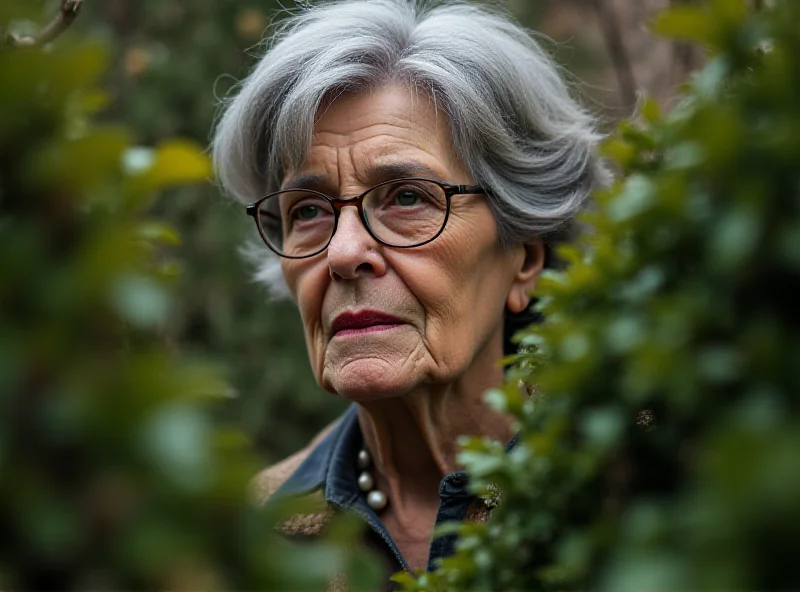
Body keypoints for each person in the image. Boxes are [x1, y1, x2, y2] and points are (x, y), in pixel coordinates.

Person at [212, 0, 607, 586]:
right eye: (311, 210)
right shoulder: (251, 532)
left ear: (523, 257)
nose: (343, 253)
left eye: (406, 198)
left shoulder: (630, 472)